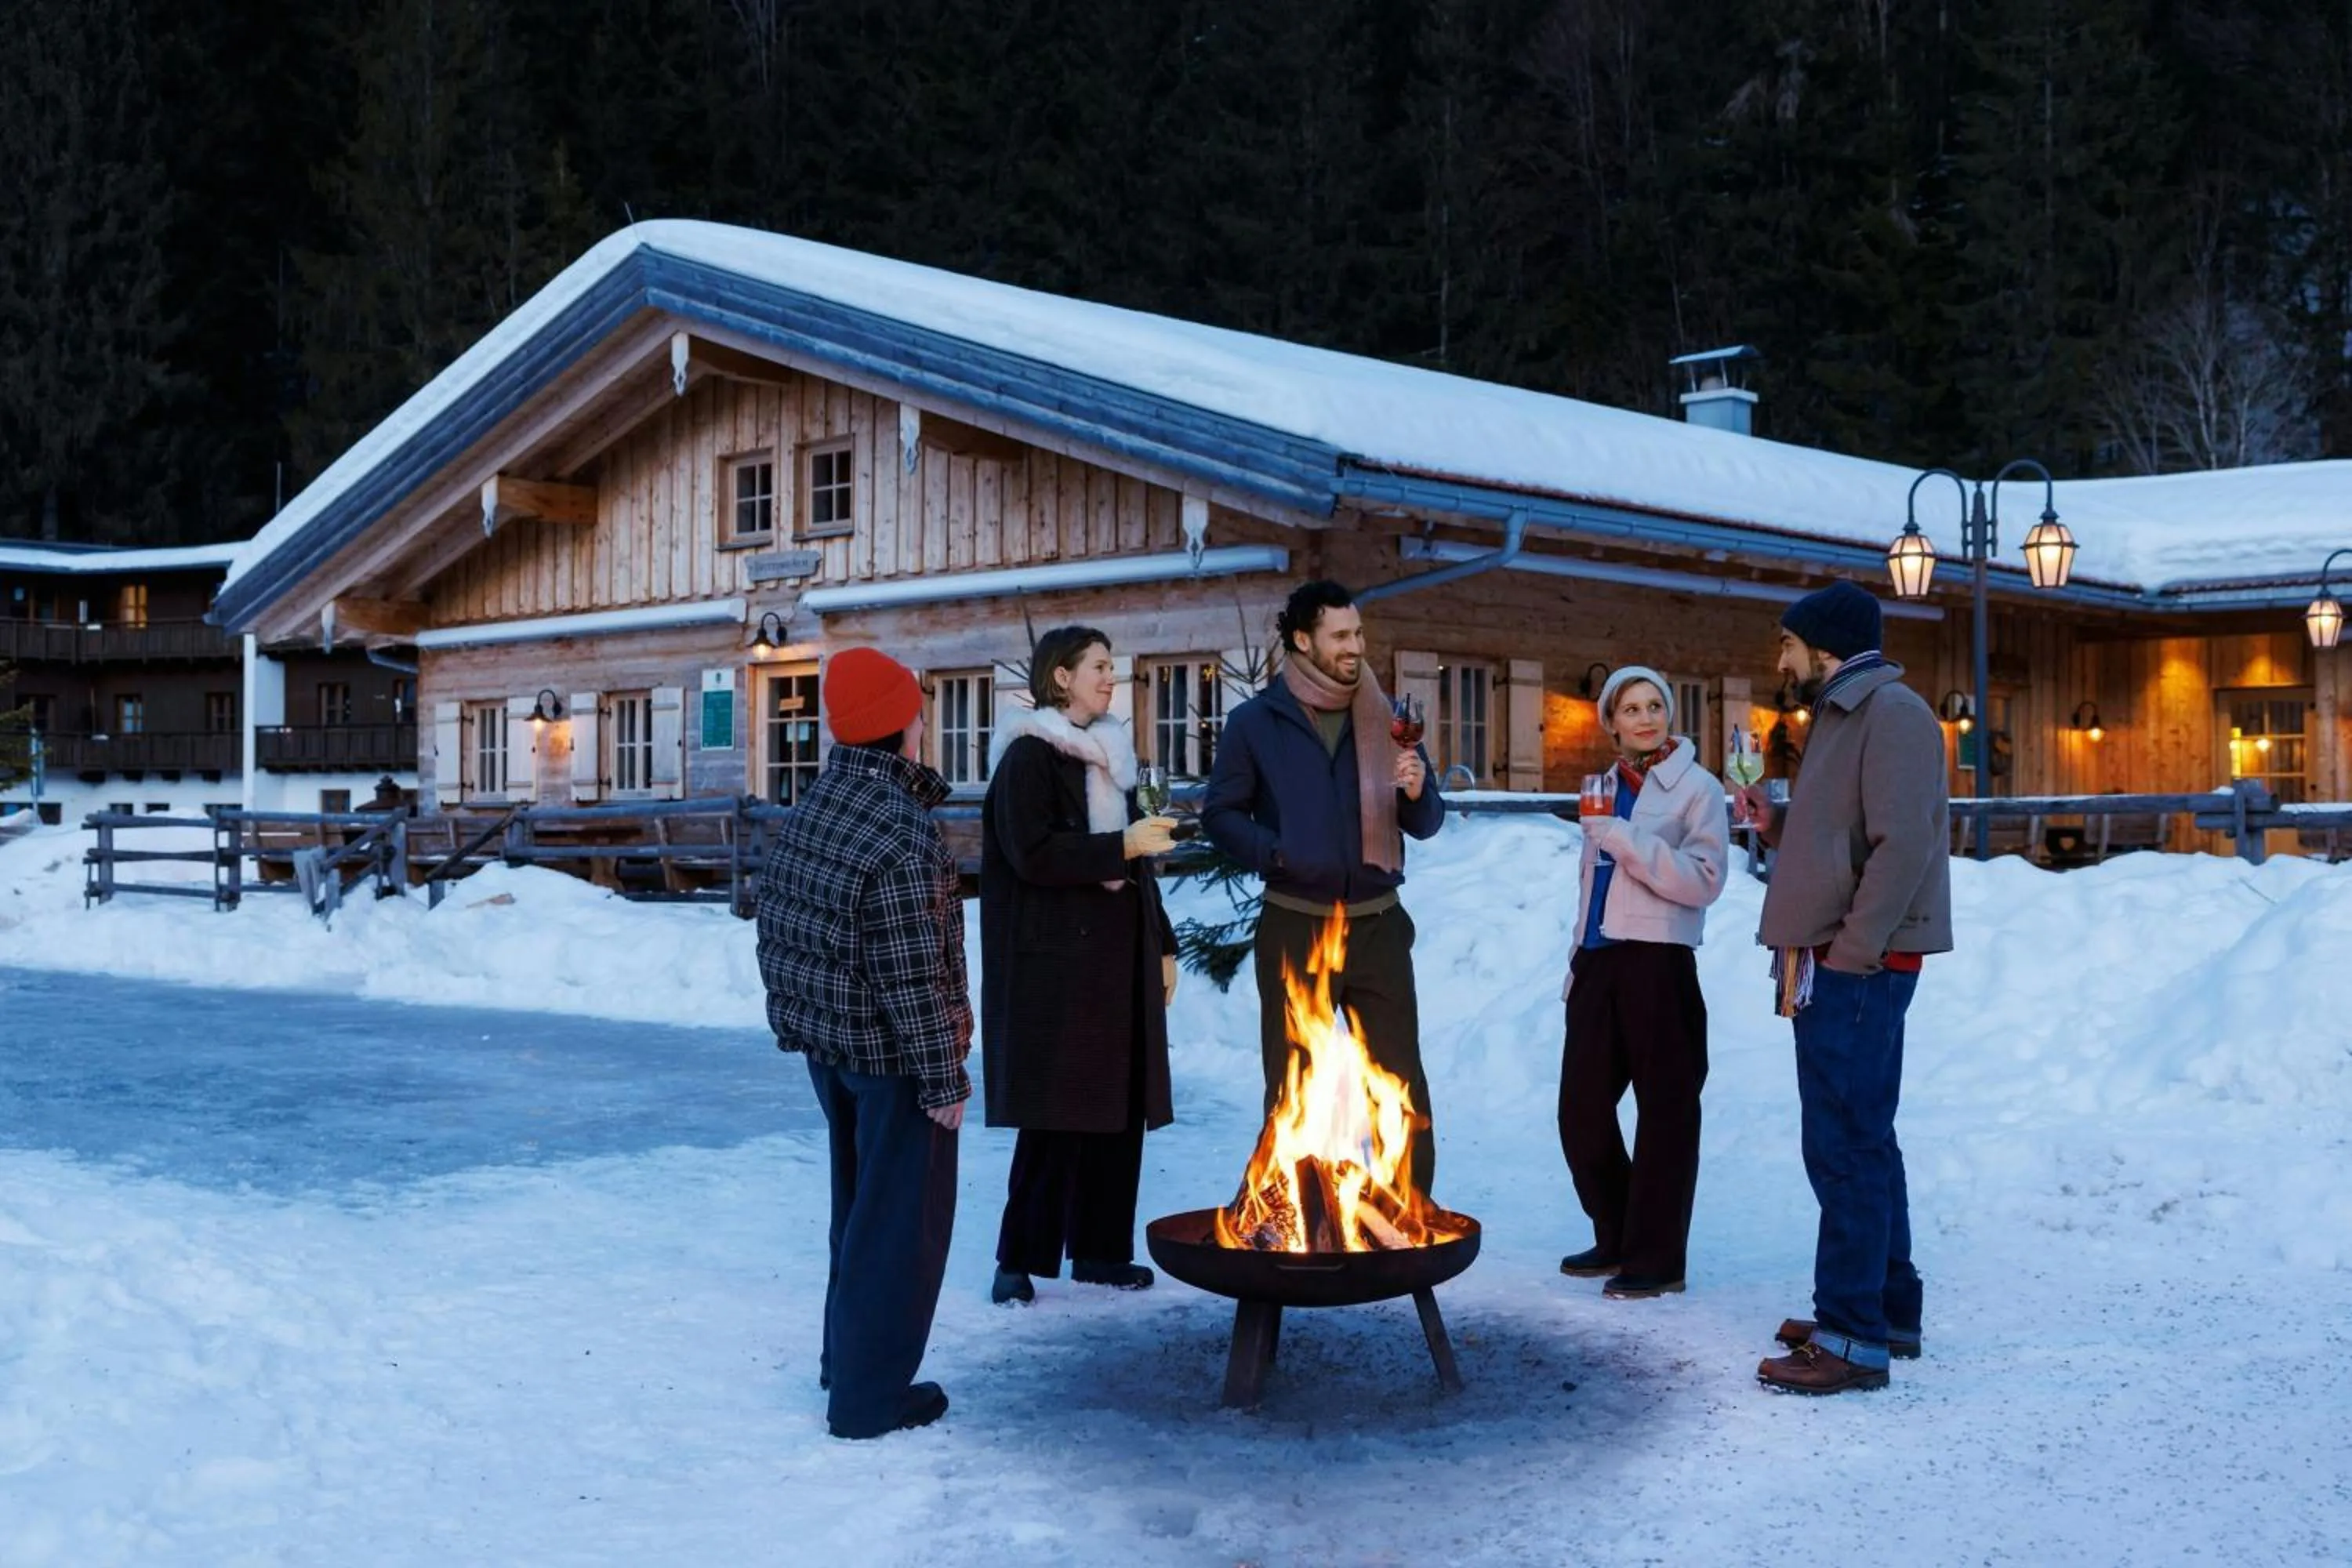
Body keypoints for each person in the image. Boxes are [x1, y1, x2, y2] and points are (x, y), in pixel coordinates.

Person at [1740, 581, 1951, 1396]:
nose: (1780, 657)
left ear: (1822, 643)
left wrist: (1853, 951)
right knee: (1865, 1135)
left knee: (1845, 1144)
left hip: (1854, 963)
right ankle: (1886, 1309)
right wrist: (1777, 827)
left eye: (1787, 642)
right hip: (1834, 955)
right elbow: (1847, 836)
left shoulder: (1890, 713)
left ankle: (1852, 1335)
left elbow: (1904, 846)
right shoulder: (1843, 710)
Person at [755, 645, 971, 1439]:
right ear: (900, 723)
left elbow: (777, 928)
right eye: (916, 706)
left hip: (833, 1050)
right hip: (892, 1060)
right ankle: (870, 1396)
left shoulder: (819, 804)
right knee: (899, 1227)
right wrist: (943, 1079)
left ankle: (847, 1362)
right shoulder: (901, 831)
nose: (922, 718)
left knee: (859, 1210)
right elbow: (912, 973)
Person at [1202, 579, 1446, 1192]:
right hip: (1295, 922)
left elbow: (1428, 822)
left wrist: (1418, 791)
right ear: (1302, 640)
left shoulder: (1390, 720)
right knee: (1294, 1085)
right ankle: (1291, 1220)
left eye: (1359, 633)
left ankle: (1409, 1214)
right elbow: (1220, 814)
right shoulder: (1256, 722)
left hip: (1378, 927)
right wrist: (1276, 852)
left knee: (1399, 1080)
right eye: (1341, 635)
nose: (1355, 646)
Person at [979, 626, 1181, 1306]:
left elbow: (1139, 865)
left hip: (1115, 961)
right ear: (1060, 677)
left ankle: (1100, 1250)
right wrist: (1118, 846)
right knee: (1057, 1115)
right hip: (1056, 968)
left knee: (1118, 1110)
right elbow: (1031, 853)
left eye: (1112, 667)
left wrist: (1164, 944)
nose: (1110, 677)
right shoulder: (1029, 759)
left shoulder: (1111, 758)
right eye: (1098, 666)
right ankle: (1019, 1258)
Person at [1556, 666, 1728, 1301]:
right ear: (1613, 723)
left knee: (1667, 1115)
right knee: (1580, 1111)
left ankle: (1657, 1259)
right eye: (1632, 709)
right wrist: (1578, 956)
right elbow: (1592, 881)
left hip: (1660, 962)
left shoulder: (1697, 789)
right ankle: (1619, 1230)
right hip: (1601, 961)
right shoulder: (1602, 785)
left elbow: (1704, 878)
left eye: (1656, 704)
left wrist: (1623, 837)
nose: (1647, 717)